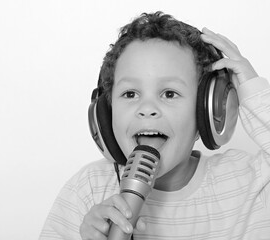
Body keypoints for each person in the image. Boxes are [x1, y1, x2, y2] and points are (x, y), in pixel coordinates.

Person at [40, 11, 270, 239]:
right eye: (130, 94)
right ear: (106, 113)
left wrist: (253, 90)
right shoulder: (88, 189)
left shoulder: (247, 180)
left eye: (169, 93)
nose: (147, 108)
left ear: (209, 111)